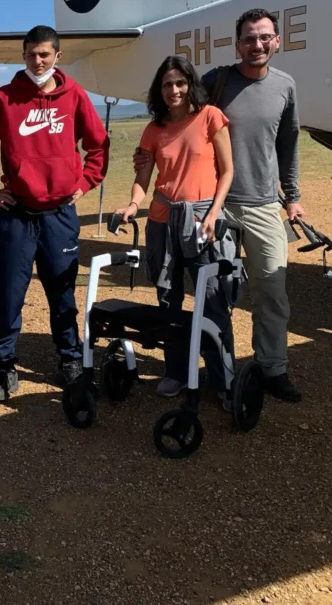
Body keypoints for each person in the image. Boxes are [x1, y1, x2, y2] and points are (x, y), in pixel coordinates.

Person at [133, 8, 305, 402]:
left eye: (264, 37)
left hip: (261, 203)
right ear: (237, 43)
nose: (257, 45)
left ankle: (272, 368)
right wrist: (147, 159)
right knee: (216, 294)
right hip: (210, 207)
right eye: (248, 38)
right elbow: (179, 114)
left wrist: (292, 196)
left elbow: (288, 144)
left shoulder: (285, 86)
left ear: (277, 41)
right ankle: (208, 370)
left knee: (271, 290)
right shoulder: (216, 82)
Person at [0, 24, 110, 402]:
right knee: (10, 294)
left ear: (57, 56)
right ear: (23, 55)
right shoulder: (4, 98)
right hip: (17, 215)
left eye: (45, 54)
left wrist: (84, 183)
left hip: (59, 215)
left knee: (62, 292)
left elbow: (98, 146)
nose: (38, 60)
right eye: (31, 54)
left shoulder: (74, 95)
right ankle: (4, 367)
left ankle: (69, 359)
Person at [116, 55, 236, 404]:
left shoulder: (211, 117)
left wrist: (214, 213)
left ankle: (222, 377)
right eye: (167, 84)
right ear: (159, 89)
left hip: (203, 220)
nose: (174, 90)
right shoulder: (154, 129)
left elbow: (227, 171)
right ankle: (177, 372)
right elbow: (143, 180)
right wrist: (132, 205)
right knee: (168, 298)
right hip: (162, 220)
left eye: (180, 83)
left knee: (213, 299)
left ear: (190, 84)